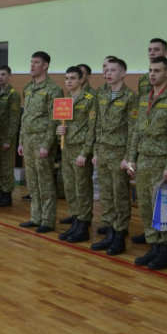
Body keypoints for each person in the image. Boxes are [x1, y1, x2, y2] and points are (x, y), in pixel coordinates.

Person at [124, 56, 167, 271]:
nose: (152, 74)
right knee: (147, 207)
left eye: (157, 70)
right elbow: (136, 133)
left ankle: (165, 249)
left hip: (162, 161)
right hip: (144, 159)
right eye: (150, 70)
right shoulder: (144, 99)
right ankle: (153, 245)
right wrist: (131, 160)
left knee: (166, 206)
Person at [90, 58, 138, 255]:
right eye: (106, 70)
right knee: (106, 196)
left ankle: (119, 236)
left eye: (113, 70)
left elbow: (133, 130)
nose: (108, 73)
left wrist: (129, 158)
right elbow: (98, 126)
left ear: (123, 73)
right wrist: (95, 151)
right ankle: (109, 232)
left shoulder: (130, 97)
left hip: (120, 155)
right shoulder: (103, 95)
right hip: (103, 152)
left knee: (120, 197)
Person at [19, 51, 64, 233]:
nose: (32, 65)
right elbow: (26, 116)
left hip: (42, 142)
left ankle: (47, 219)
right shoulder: (28, 88)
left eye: (36, 62)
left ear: (45, 66)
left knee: (45, 181)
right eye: (31, 62)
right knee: (32, 181)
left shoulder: (54, 90)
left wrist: (47, 144)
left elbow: (54, 120)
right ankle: (35, 216)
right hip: (28, 140)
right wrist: (21, 140)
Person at [55, 67, 97, 243]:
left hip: (80, 151)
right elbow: (60, 124)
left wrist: (85, 152)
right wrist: (59, 130)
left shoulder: (89, 100)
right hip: (67, 149)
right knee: (70, 188)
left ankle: (83, 224)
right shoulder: (64, 100)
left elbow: (92, 129)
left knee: (83, 190)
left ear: (81, 80)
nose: (69, 81)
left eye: (73, 78)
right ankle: (75, 219)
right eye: (66, 78)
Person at [0, 66, 21, 207]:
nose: (0, 77)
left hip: (6, 136)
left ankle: (7, 194)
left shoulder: (13, 94)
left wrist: (9, 139)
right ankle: (0, 192)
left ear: (10, 77)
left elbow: (14, 119)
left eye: (3, 74)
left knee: (6, 166)